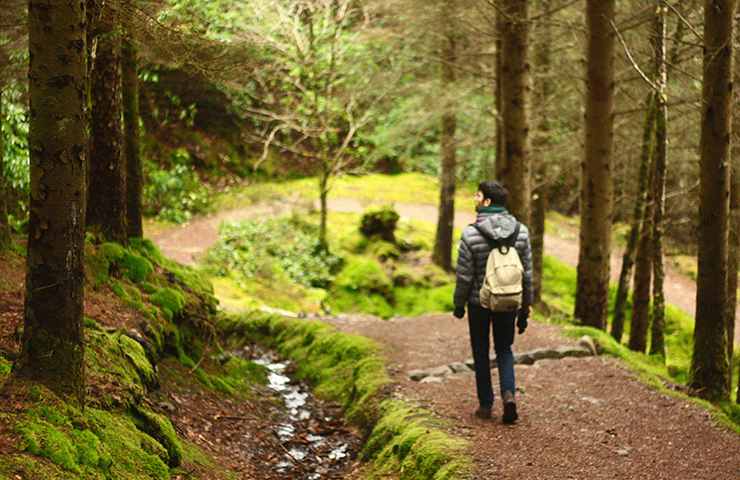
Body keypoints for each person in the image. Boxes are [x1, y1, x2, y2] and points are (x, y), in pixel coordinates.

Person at [453, 180, 533, 424]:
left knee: (480, 351)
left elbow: (464, 276)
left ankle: (486, 405)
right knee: (504, 349)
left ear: (487, 202)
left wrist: (459, 304)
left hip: (479, 303)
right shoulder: (521, 232)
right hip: (509, 301)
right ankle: (509, 395)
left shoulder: (470, 234)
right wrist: (525, 309)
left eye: (478, 196)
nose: (475, 199)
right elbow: (527, 274)